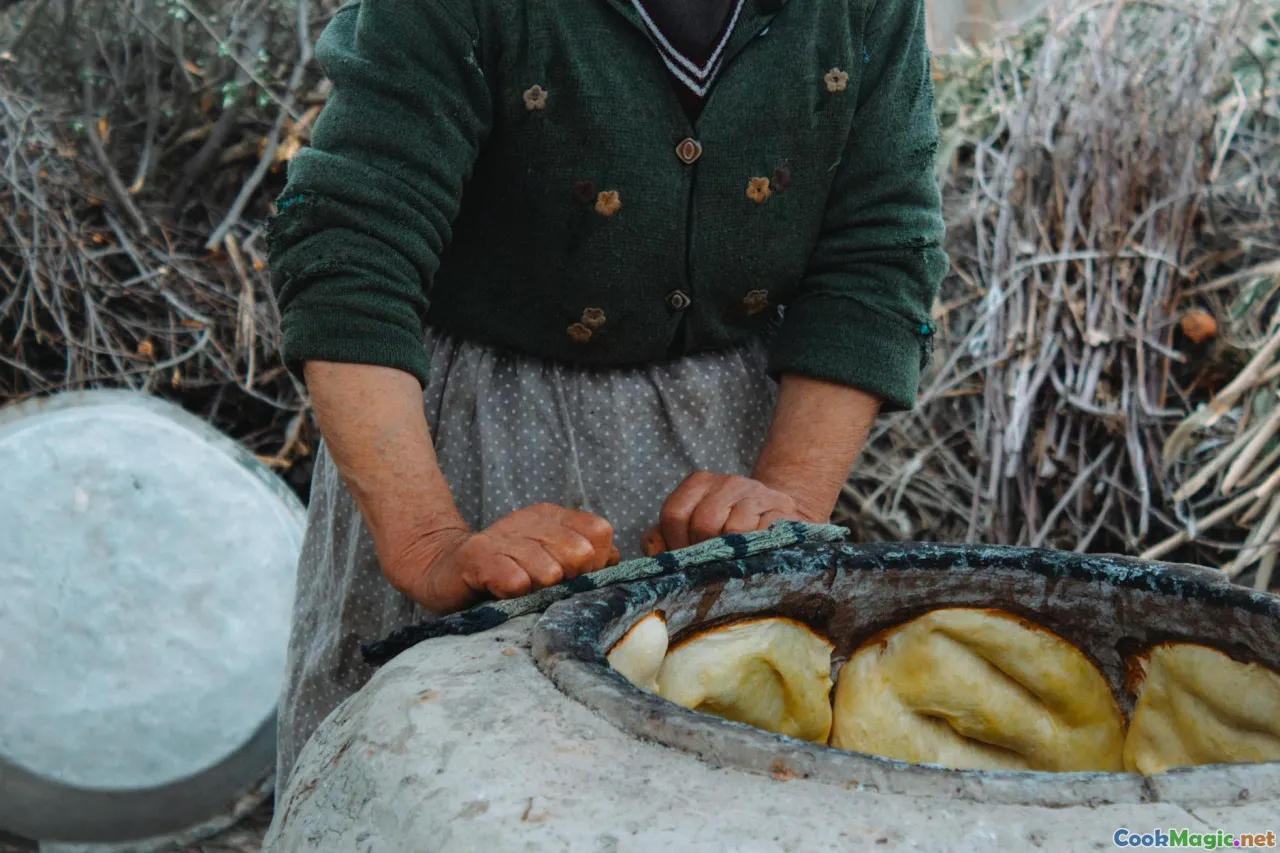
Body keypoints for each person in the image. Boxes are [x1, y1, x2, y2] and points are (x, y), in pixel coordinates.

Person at [267, 0, 948, 787]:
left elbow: (878, 245)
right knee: (448, 784)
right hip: (469, 443)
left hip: (739, 433)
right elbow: (353, 245)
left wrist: (784, 495)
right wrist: (428, 544)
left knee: (704, 788)